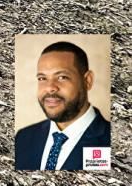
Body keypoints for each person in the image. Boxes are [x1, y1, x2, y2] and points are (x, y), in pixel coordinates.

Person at [14, 41, 111, 171]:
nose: (50, 88)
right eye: (42, 78)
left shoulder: (111, 141)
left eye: (62, 77)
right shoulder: (23, 138)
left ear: (87, 81)